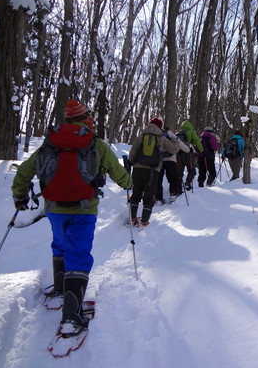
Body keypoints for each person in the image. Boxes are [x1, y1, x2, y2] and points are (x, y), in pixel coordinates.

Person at [11, 99, 133, 331]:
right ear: (86, 119)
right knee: (78, 254)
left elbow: (25, 172)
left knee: (60, 244)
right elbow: (119, 173)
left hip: (54, 207)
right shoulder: (94, 144)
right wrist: (128, 183)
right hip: (84, 208)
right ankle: (71, 316)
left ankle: (60, 289)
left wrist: (19, 196)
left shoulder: (50, 143)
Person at [128, 117, 180, 225]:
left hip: (138, 169)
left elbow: (133, 152)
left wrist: (131, 164)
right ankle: (145, 221)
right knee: (149, 196)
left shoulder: (141, 136)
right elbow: (174, 149)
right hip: (153, 170)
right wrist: (174, 138)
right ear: (160, 126)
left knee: (136, 194)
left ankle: (132, 218)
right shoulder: (161, 137)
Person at [156, 126, 190, 203]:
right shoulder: (171, 134)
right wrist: (188, 149)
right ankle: (173, 195)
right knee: (173, 178)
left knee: (158, 179)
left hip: (159, 160)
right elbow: (184, 148)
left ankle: (158, 198)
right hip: (171, 160)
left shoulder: (157, 135)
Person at [176, 120, 203, 192]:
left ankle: (177, 188)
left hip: (179, 155)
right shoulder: (191, 132)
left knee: (179, 172)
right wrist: (201, 150)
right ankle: (187, 183)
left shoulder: (179, 133)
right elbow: (197, 141)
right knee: (192, 171)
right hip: (188, 154)